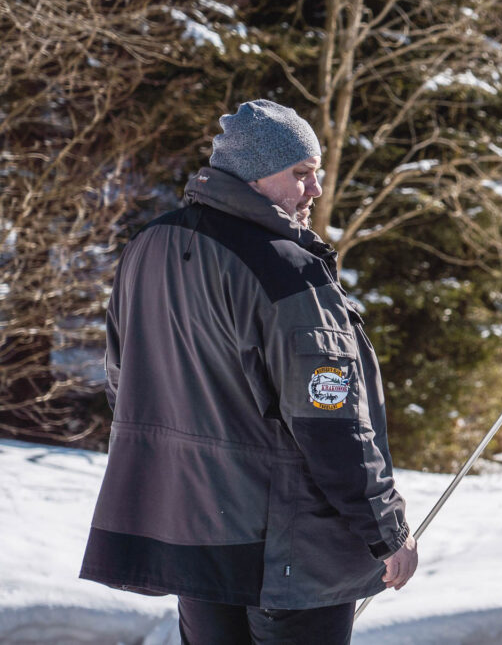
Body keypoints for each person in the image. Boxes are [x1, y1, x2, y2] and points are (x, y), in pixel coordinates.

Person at [80, 99, 417, 644]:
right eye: (301, 174)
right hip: (288, 552)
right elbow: (329, 423)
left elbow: (124, 384)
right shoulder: (286, 270)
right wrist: (387, 531)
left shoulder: (148, 247)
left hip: (195, 536)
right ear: (255, 175)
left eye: (317, 174)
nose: (314, 191)